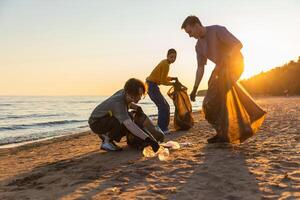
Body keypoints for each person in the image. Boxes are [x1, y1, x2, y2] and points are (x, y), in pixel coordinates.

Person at [181, 15, 266, 143]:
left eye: (189, 32)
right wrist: (195, 88)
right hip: (220, 68)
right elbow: (200, 68)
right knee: (209, 103)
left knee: (221, 95)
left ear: (196, 25)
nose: (189, 36)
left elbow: (238, 44)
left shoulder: (217, 30)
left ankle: (243, 121)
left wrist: (228, 55)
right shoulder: (198, 46)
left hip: (235, 64)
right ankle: (222, 131)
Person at [88, 78, 160, 152]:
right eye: (138, 95)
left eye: (141, 94)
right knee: (125, 121)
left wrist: (136, 107)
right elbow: (129, 125)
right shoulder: (118, 103)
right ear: (130, 94)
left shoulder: (124, 92)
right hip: (96, 123)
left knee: (129, 116)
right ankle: (107, 141)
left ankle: (106, 135)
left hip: (104, 118)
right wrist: (149, 140)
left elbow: (127, 103)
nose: (140, 97)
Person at [146, 49, 178, 134]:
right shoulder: (166, 64)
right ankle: (162, 129)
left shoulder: (165, 62)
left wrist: (171, 78)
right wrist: (173, 84)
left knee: (165, 106)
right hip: (151, 86)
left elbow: (162, 77)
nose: (173, 59)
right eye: (171, 57)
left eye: (175, 57)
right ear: (167, 56)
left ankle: (163, 128)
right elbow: (163, 81)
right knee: (163, 107)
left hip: (152, 85)